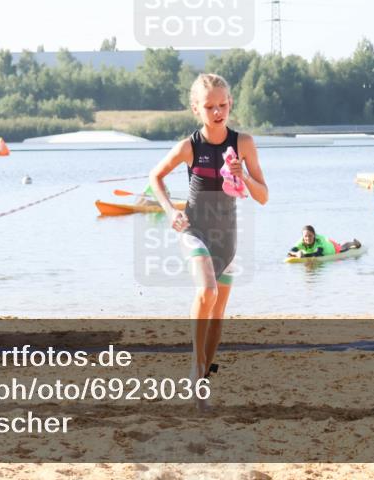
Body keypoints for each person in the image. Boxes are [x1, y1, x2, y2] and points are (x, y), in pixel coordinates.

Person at [149, 74, 269, 400]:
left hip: (226, 236)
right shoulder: (189, 147)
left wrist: (243, 175)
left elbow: (263, 196)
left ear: (230, 103)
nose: (217, 112)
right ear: (195, 109)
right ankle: (195, 363)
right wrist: (170, 211)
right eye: (209, 106)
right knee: (207, 291)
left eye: (222, 105)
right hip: (194, 231)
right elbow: (155, 176)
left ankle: (205, 373)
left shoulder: (243, 143)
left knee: (218, 312)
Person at [287, 225, 361, 258]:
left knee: (343, 248)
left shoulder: (319, 240)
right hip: (327, 243)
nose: (308, 238)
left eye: (310, 236)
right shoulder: (301, 241)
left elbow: (318, 254)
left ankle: (354, 243)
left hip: (333, 248)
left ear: (314, 235)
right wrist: (296, 254)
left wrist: (303, 256)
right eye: (305, 236)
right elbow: (290, 251)